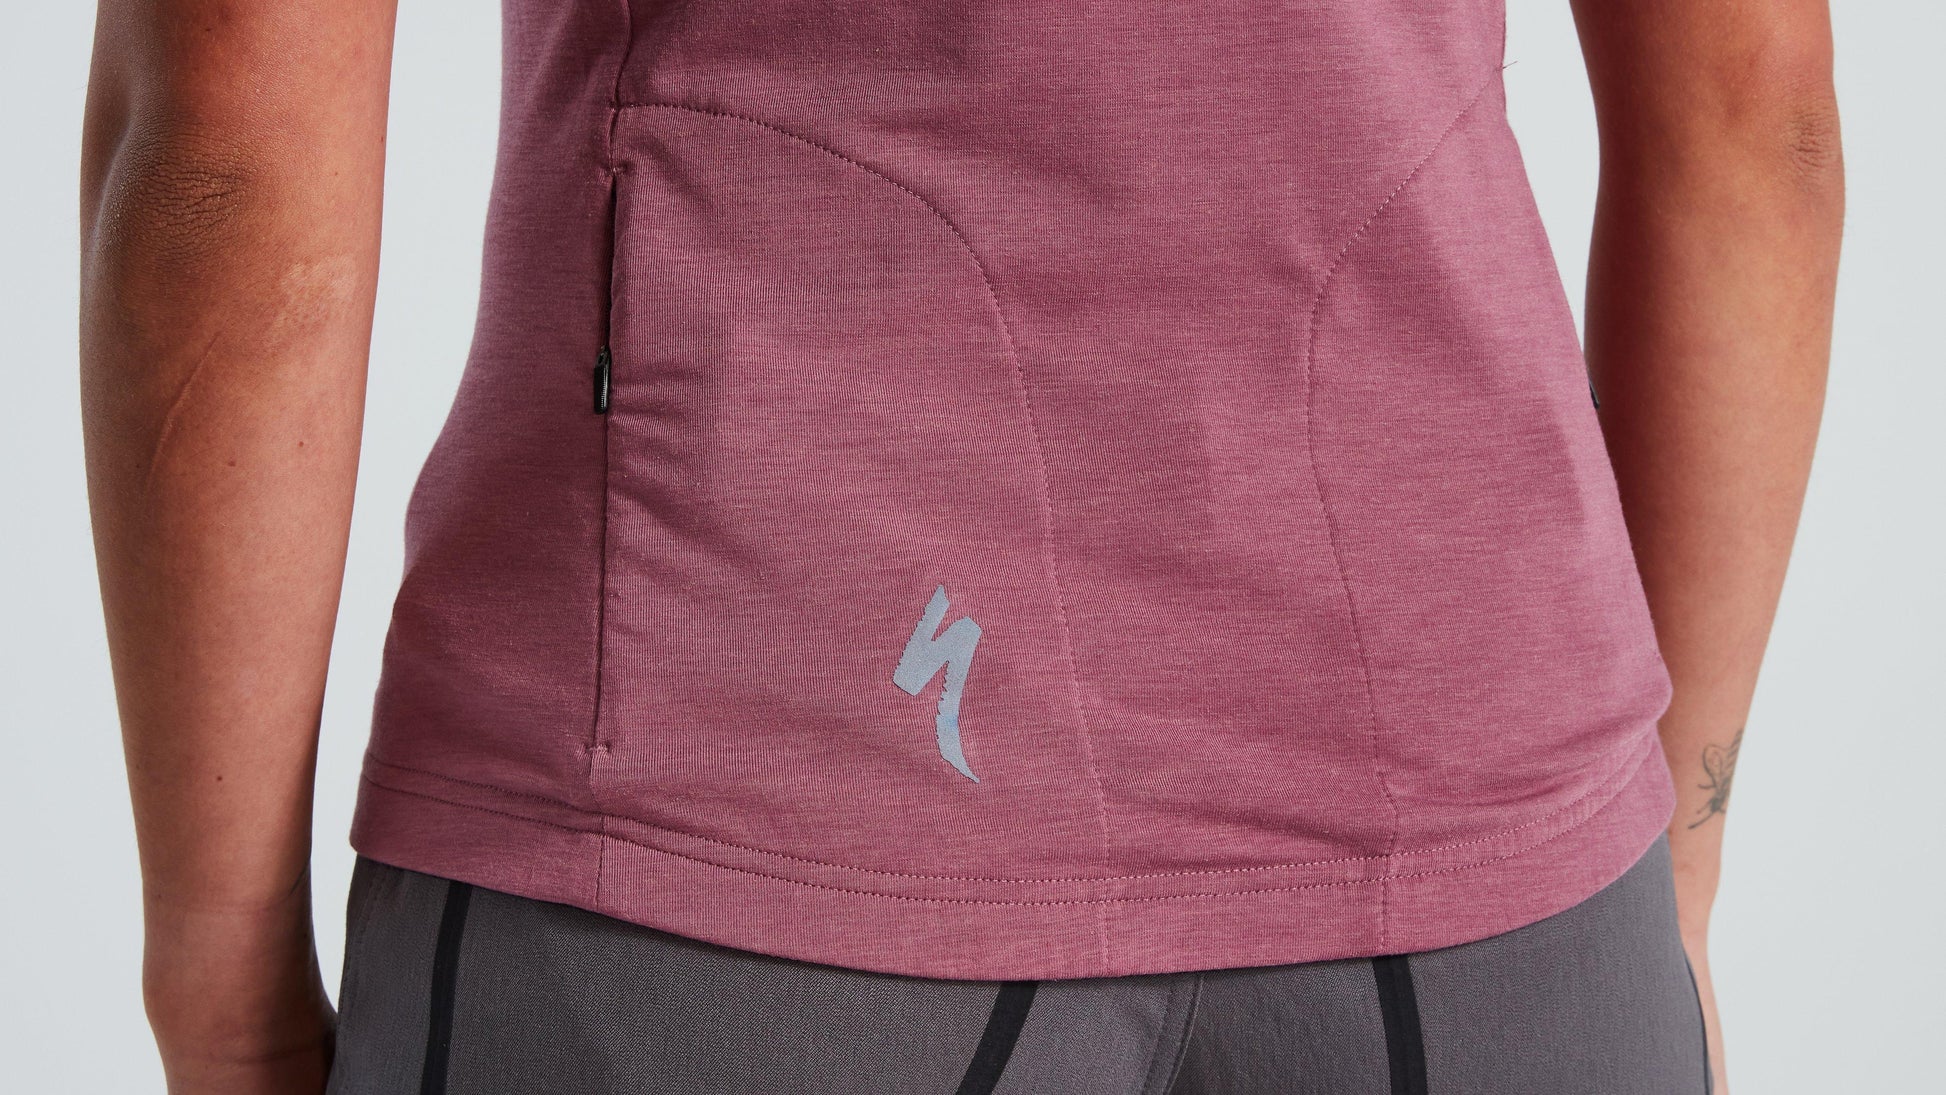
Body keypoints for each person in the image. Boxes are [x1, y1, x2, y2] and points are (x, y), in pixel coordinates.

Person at [79, 0, 1841, 1091]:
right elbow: (1756, 125)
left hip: (724, 859)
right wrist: (1669, 873)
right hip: (1499, 912)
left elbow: (233, 141)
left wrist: (224, 993)